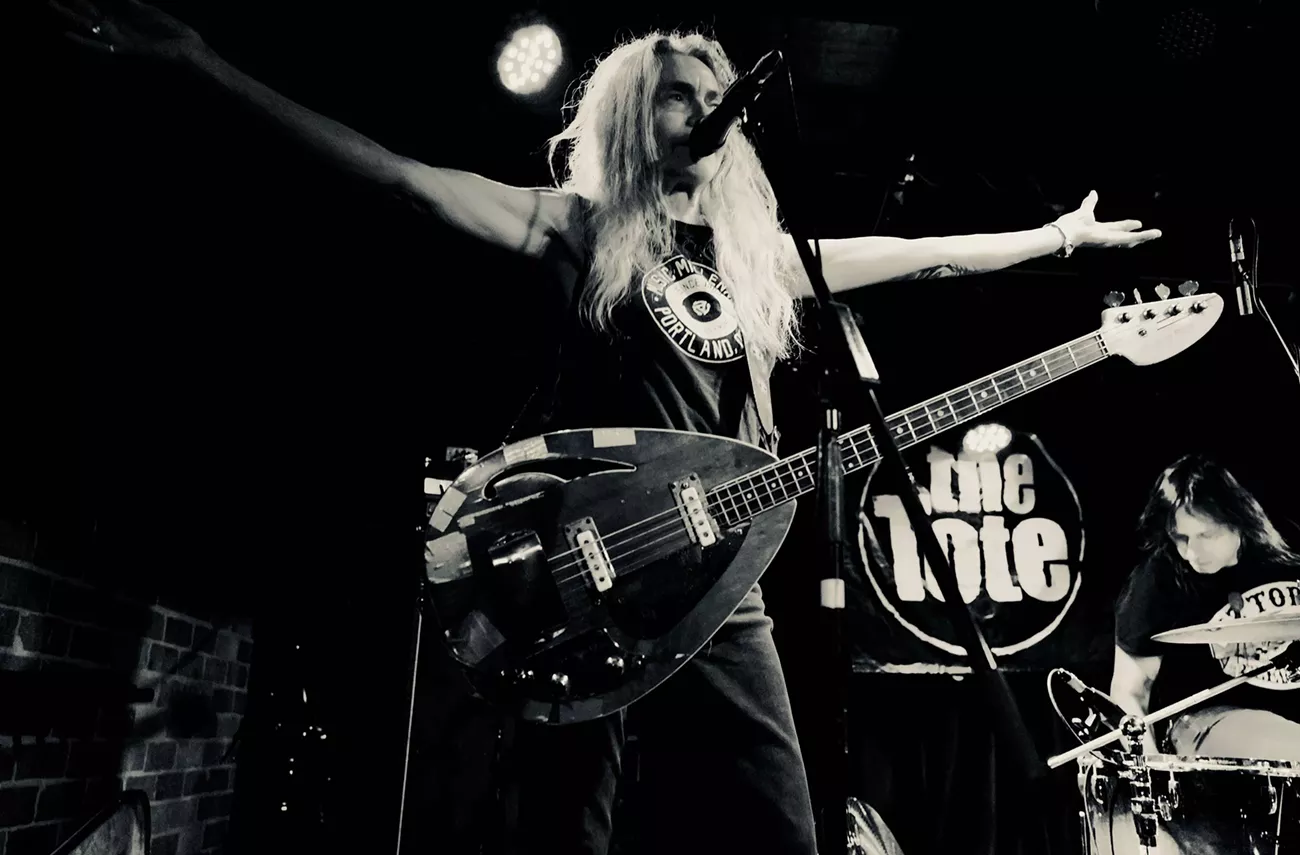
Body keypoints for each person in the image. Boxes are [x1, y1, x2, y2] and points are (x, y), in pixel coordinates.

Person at [53, 4, 1162, 853]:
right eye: (677, 96)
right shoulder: (580, 227)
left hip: (722, 583)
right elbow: (403, 181)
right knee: (570, 828)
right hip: (588, 568)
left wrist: (1056, 239)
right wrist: (205, 67)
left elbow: (927, 259)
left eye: (713, 95)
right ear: (636, 117)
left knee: (784, 822)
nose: (703, 111)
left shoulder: (761, 260)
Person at [1110, 453, 1300, 761]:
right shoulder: (1159, 578)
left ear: (1239, 520)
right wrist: (1151, 765)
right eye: (1180, 537)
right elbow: (1129, 690)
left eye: (1206, 535)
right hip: (1207, 724)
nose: (1192, 552)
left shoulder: (1288, 546)